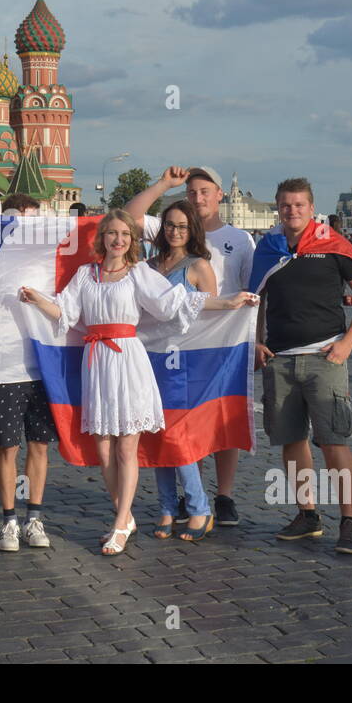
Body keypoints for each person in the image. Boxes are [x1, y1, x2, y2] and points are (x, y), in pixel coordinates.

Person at [21, 209, 254, 555]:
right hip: (96, 361)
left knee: (126, 447)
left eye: (125, 235)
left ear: (132, 241)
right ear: (102, 238)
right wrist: (37, 300)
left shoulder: (139, 274)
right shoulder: (86, 274)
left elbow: (176, 303)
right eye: (112, 233)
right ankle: (125, 515)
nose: (118, 240)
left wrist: (228, 301)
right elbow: (66, 313)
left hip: (128, 360)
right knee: (103, 449)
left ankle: (119, 524)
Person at [125, 165, 257, 529]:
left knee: (217, 420)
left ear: (220, 194)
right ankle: (180, 501)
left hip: (214, 345)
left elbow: (245, 294)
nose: (198, 197)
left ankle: (221, 497)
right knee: (169, 427)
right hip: (161, 350)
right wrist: (165, 184)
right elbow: (130, 216)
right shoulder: (162, 240)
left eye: (204, 191)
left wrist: (252, 336)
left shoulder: (240, 238)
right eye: (192, 191)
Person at [253, 178, 352, 555]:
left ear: (311, 208)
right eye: (286, 205)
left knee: (333, 440)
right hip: (280, 359)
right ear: (278, 208)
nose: (292, 211)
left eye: (299, 205)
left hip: (325, 357)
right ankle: (307, 514)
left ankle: (350, 520)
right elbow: (256, 298)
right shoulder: (268, 249)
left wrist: (348, 343)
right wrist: (257, 339)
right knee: (291, 441)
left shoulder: (333, 245)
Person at [149, 200, 220, 541]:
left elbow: (212, 318)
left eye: (182, 226)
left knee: (177, 436)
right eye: (169, 225)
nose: (175, 232)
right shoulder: (150, 265)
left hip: (184, 363)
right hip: (152, 363)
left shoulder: (198, 265)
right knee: (156, 433)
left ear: (192, 229)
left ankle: (199, 507)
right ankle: (166, 506)